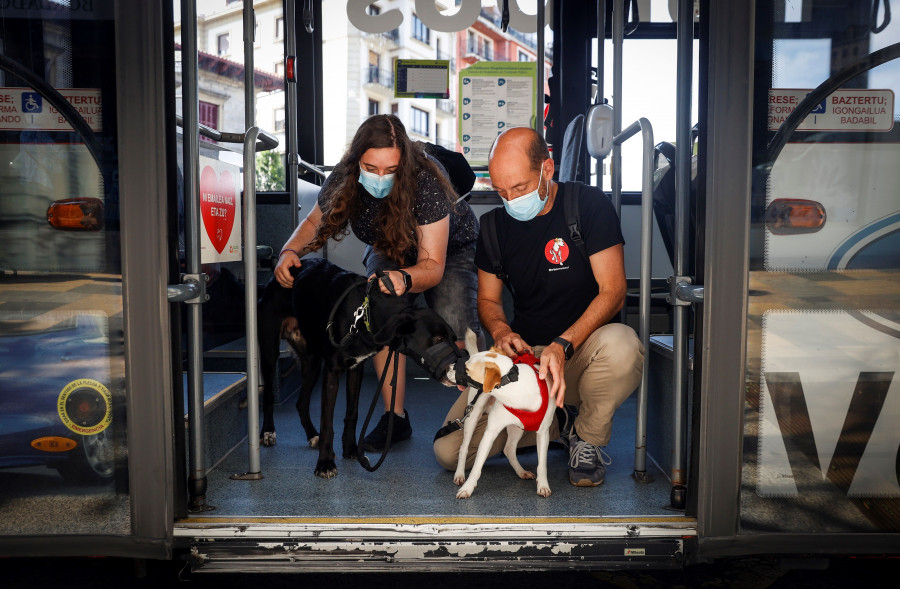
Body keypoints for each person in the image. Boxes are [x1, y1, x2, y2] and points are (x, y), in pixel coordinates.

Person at [433, 126, 643, 487]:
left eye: (520, 188)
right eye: (501, 192)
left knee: (623, 345)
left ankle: (587, 437)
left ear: (547, 169)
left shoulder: (587, 206)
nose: (511, 200)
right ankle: (557, 423)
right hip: (526, 363)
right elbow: (487, 300)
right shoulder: (494, 228)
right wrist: (500, 331)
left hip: (580, 352)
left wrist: (564, 344)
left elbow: (613, 291)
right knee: (450, 453)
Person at [274, 114, 483, 451]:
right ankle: (394, 419)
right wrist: (289, 250)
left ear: (406, 163)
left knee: (459, 327)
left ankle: (477, 415)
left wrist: (406, 278)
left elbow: (431, 265)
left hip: (448, 251)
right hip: (389, 245)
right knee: (382, 316)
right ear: (357, 161)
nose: (381, 177)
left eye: (391, 170)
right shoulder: (344, 175)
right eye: (371, 168)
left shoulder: (426, 180)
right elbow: (315, 219)